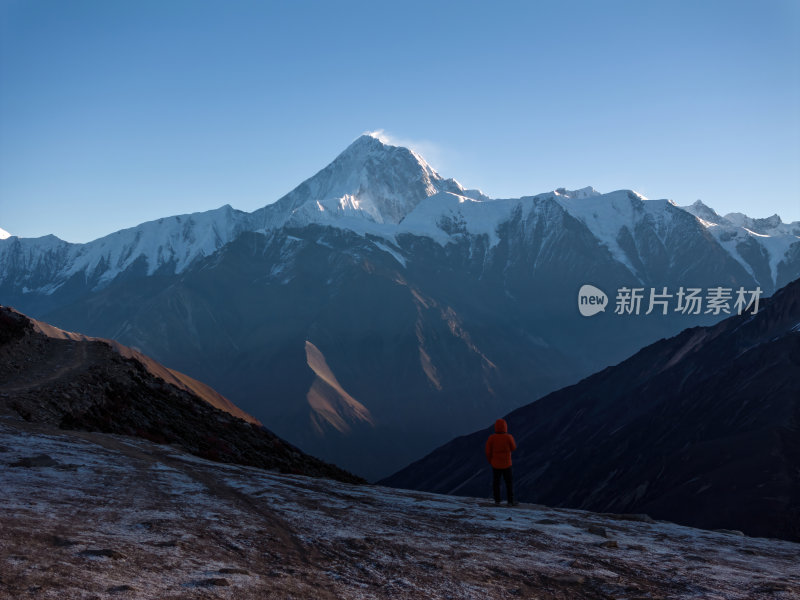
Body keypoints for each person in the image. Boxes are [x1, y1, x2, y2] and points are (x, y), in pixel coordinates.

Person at [485, 418, 517, 506]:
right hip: (507, 464)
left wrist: (491, 461)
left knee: (496, 483)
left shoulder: (491, 438)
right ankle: (510, 502)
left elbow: (488, 452)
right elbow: (513, 447)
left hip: (495, 465)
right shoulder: (509, 437)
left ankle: (497, 501)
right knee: (509, 483)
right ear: (505, 427)